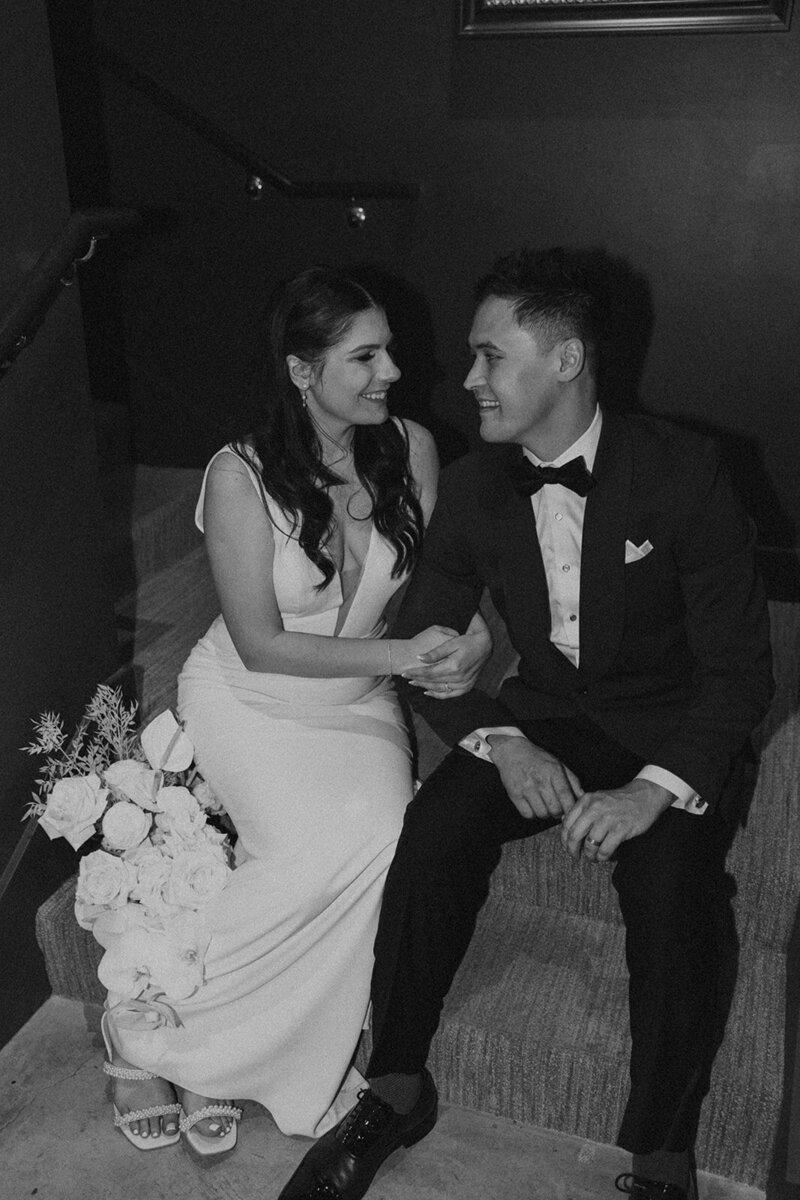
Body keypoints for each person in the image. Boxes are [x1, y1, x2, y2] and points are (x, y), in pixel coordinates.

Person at [276, 246, 775, 1200]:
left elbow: (741, 673)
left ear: (566, 360)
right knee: (433, 829)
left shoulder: (690, 474)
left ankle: (664, 1159)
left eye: (489, 357)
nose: (468, 380)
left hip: (674, 728)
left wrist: (650, 790)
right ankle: (396, 1085)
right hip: (547, 716)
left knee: (671, 890)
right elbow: (416, 646)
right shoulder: (472, 488)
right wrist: (504, 741)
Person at [100, 266, 492, 1155]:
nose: (392, 368)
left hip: (354, 706)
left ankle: (232, 1057)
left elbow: (444, 587)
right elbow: (261, 643)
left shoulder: (414, 448)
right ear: (302, 370)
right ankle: (142, 1035)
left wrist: (465, 638)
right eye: (365, 355)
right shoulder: (237, 476)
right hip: (252, 699)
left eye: (389, 347)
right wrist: (407, 655)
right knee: (309, 849)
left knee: (390, 831)